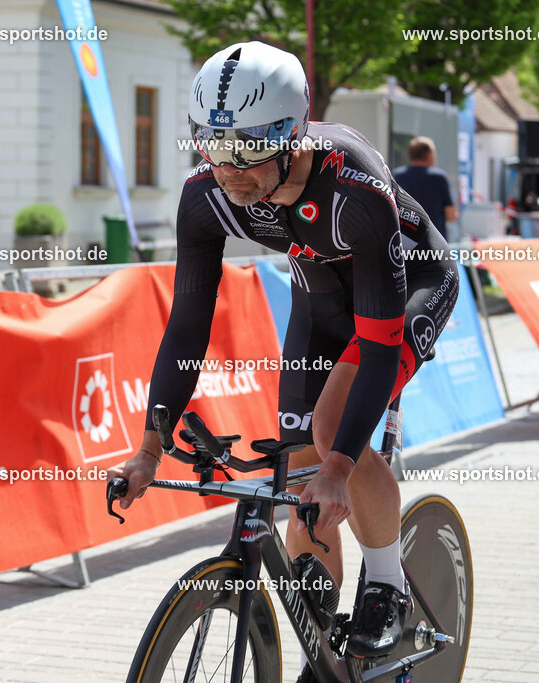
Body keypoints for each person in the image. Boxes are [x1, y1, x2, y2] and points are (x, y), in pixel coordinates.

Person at [107, 41, 459, 665]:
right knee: (297, 476)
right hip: (321, 296)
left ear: (293, 134)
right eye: (214, 149)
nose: (230, 171)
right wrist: (148, 448)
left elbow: (378, 347)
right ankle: (324, 654)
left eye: (247, 151)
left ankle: (387, 586)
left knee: (331, 439)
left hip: (409, 288)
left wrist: (342, 465)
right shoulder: (205, 197)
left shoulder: (354, 185)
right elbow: (187, 327)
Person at [393, 136, 457, 240]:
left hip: (404, 240)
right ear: (429, 155)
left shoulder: (397, 175)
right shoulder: (439, 177)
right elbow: (451, 216)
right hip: (433, 241)